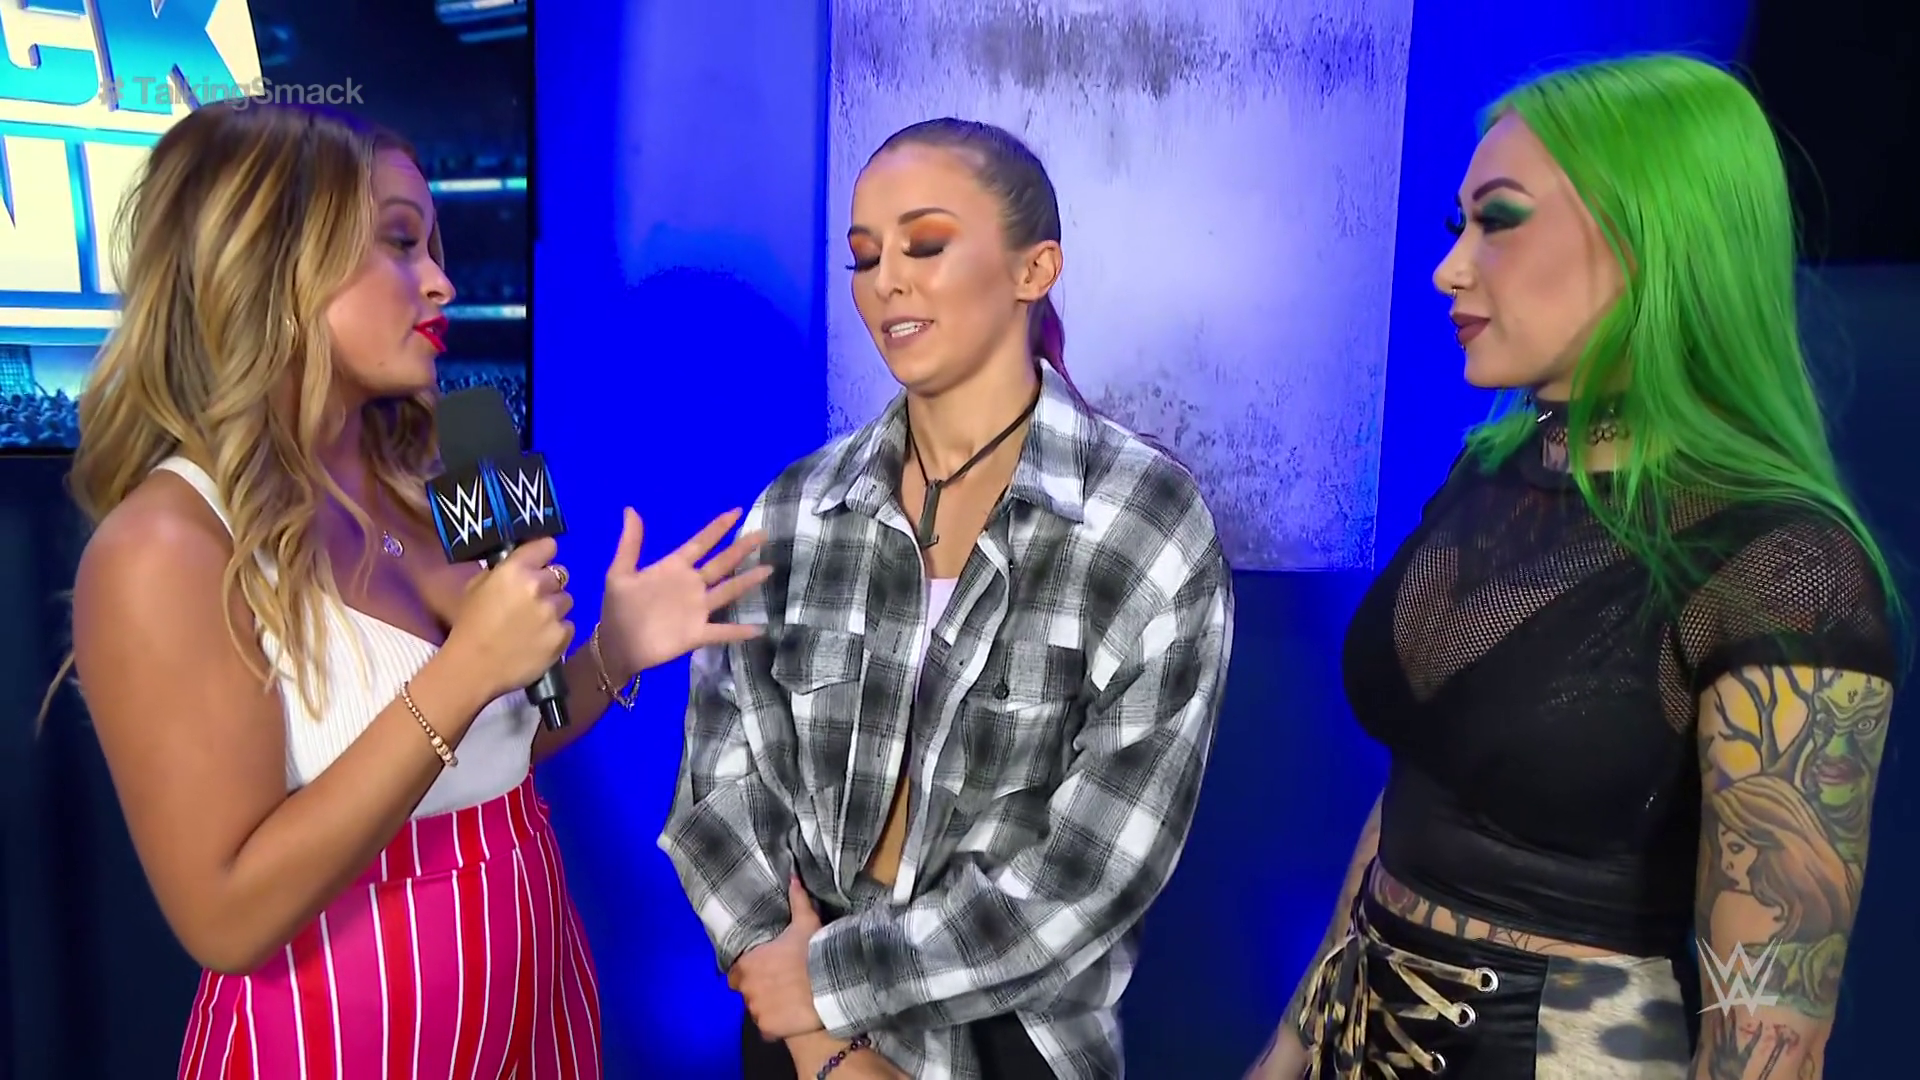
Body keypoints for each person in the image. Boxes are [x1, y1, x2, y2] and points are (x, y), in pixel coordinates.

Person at [57, 100, 769, 1079]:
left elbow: (507, 745)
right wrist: (463, 669)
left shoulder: (460, 457)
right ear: (274, 260)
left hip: (538, 987)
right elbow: (224, 918)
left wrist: (614, 651)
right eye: (400, 242)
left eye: (436, 246)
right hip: (342, 1032)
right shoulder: (162, 545)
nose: (441, 281)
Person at [1244, 53, 1899, 1079]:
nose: (1450, 269)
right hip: (1358, 1036)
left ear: (1655, 243)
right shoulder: (1489, 471)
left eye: (1499, 222)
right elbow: (1415, 797)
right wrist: (1291, 1048)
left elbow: (1767, 1032)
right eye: (1457, 226)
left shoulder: (1783, 566)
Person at [660, 118, 1236, 1080]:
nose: (886, 279)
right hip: (793, 1036)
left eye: (924, 244)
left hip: (1014, 1044)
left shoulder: (1143, 518)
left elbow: (1094, 872)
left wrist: (832, 984)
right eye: (864, 255)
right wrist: (820, 1038)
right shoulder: (796, 508)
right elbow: (720, 789)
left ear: (1034, 268)